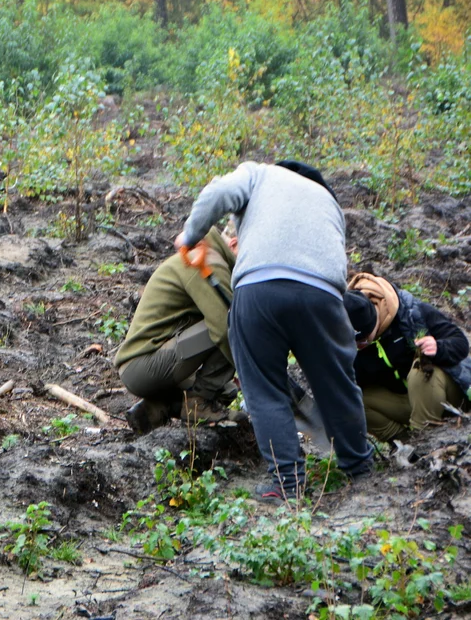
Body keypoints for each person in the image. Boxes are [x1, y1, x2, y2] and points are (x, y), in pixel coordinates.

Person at [176, 160, 373, 501]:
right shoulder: (329, 201)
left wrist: (190, 234)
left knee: (265, 389)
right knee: (337, 382)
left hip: (259, 289)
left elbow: (219, 192)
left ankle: (286, 484)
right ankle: (360, 468)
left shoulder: (259, 173)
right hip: (323, 295)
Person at [115, 227, 239, 434]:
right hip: (143, 366)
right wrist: (254, 374)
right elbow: (227, 329)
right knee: (234, 327)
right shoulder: (208, 261)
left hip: (147, 365)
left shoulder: (210, 255)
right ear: (234, 244)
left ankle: (156, 408)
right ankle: (198, 404)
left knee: (226, 390)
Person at [344, 273, 471, 441]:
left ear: (375, 319)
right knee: (354, 400)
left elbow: (460, 343)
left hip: (448, 396)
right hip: (407, 401)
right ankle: (406, 445)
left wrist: (438, 348)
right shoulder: (345, 337)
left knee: (421, 371)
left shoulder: (411, 312)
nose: (360, 345)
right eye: (355, 341)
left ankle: (424, 440)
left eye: (364, 339)